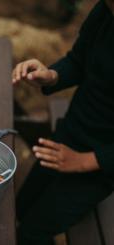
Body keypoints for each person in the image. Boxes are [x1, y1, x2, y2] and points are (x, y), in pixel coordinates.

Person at [12, 0, 114, 244]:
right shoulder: (104, 10)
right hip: (70, 133)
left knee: (31, 234)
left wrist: (85, 161)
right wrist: (51, 76)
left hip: (101, 165)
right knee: (19, 208)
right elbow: (78, 61)